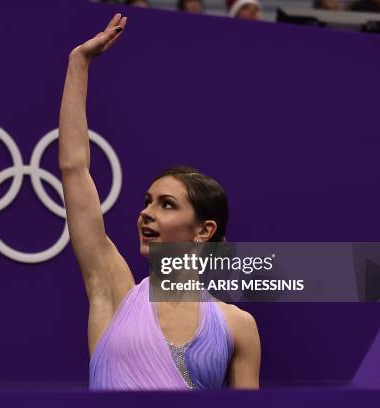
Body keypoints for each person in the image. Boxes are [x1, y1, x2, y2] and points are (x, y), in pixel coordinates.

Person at [58, 14, 261, 390]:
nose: (146, 213)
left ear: (204, 230)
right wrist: (78, 64)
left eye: (167, 204)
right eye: (147, 201)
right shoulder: (113, 290)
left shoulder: (238, 326)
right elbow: (74, 168)